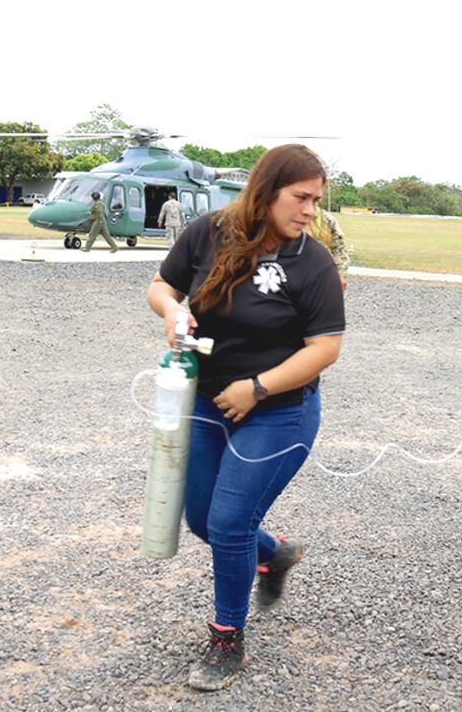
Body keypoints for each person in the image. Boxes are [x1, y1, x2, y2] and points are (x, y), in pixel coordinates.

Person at [146, 144, 345, 691]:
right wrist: (174, 310)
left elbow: (325, 348)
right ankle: (275, 553)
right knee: (202, 521)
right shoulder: (209, 232)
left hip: (280, 411)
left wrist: (257, 388)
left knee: (230, 522)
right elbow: (161, 286)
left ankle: (226, 638)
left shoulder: (313, 262)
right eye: (301, 198)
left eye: (316, 201)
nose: (310, 210)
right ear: (266, 190)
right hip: (208, 401)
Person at [306, 207, 350, 291]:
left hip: (320, 278)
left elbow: (339, 250)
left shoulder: (327, 219)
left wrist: (341, 275)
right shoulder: (284, 217)